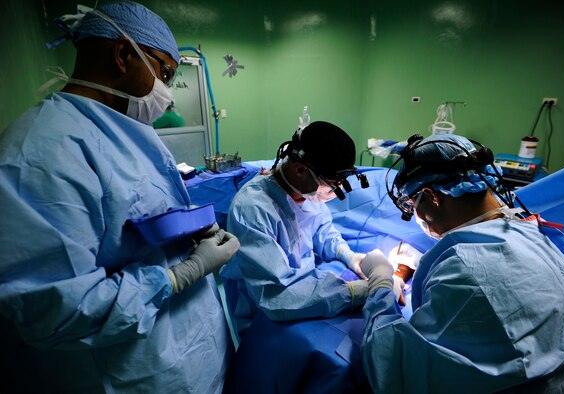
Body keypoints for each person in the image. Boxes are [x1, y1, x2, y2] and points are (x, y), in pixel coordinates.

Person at [0, 2, 239, 393]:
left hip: (192, 354)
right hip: (136, 373)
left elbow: (135, 220)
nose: (168, 93)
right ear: (124, 54)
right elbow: (57, 312)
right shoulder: (39, 154)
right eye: (164, 73)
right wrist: (181, 274)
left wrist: (192, 232)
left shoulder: (125, 130)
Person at [359, 133, 564, 392]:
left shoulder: (462, 271)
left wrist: (380, 282)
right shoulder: (535, 233)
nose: (416, 216)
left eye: (413, 205)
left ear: (432, 196)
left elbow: (392, 368)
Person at [219, 121, 400, 341]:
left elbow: (323, 231)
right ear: (300, 169)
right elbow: (276, 296)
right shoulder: (252, 210)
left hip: (307, 297)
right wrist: (355, 292)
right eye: (331, 184)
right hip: (266, 318)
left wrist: (350, 256)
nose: (333, 192)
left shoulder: (305, 191)